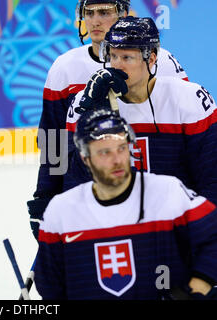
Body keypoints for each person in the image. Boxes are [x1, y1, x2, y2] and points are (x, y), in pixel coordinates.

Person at [27, 0, 188, 240]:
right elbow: (54, 140)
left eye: (104, 12)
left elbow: (183, 129)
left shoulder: (162, 62)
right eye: (89, 13)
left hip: (155, 190)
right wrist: (46, 193)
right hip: (93, 190)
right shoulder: (64, 69)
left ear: (123, 13)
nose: (95, 20)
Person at [34, 109, 217, 299]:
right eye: (105, 152)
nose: (117, 160)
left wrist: (193, 290)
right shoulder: (61, 212)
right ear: (85, 158)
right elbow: (51, 288)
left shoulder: (167, 192)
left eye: (121, 148)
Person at [67, 16, 217, 206]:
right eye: (113, 56)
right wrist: (94, 115)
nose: (117, 65)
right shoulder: (86, 101)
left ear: (151, 58)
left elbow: (212, 180)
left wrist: (202, 228)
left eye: (126, 57)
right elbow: (76, 183)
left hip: (180, 222)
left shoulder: (189, 99)